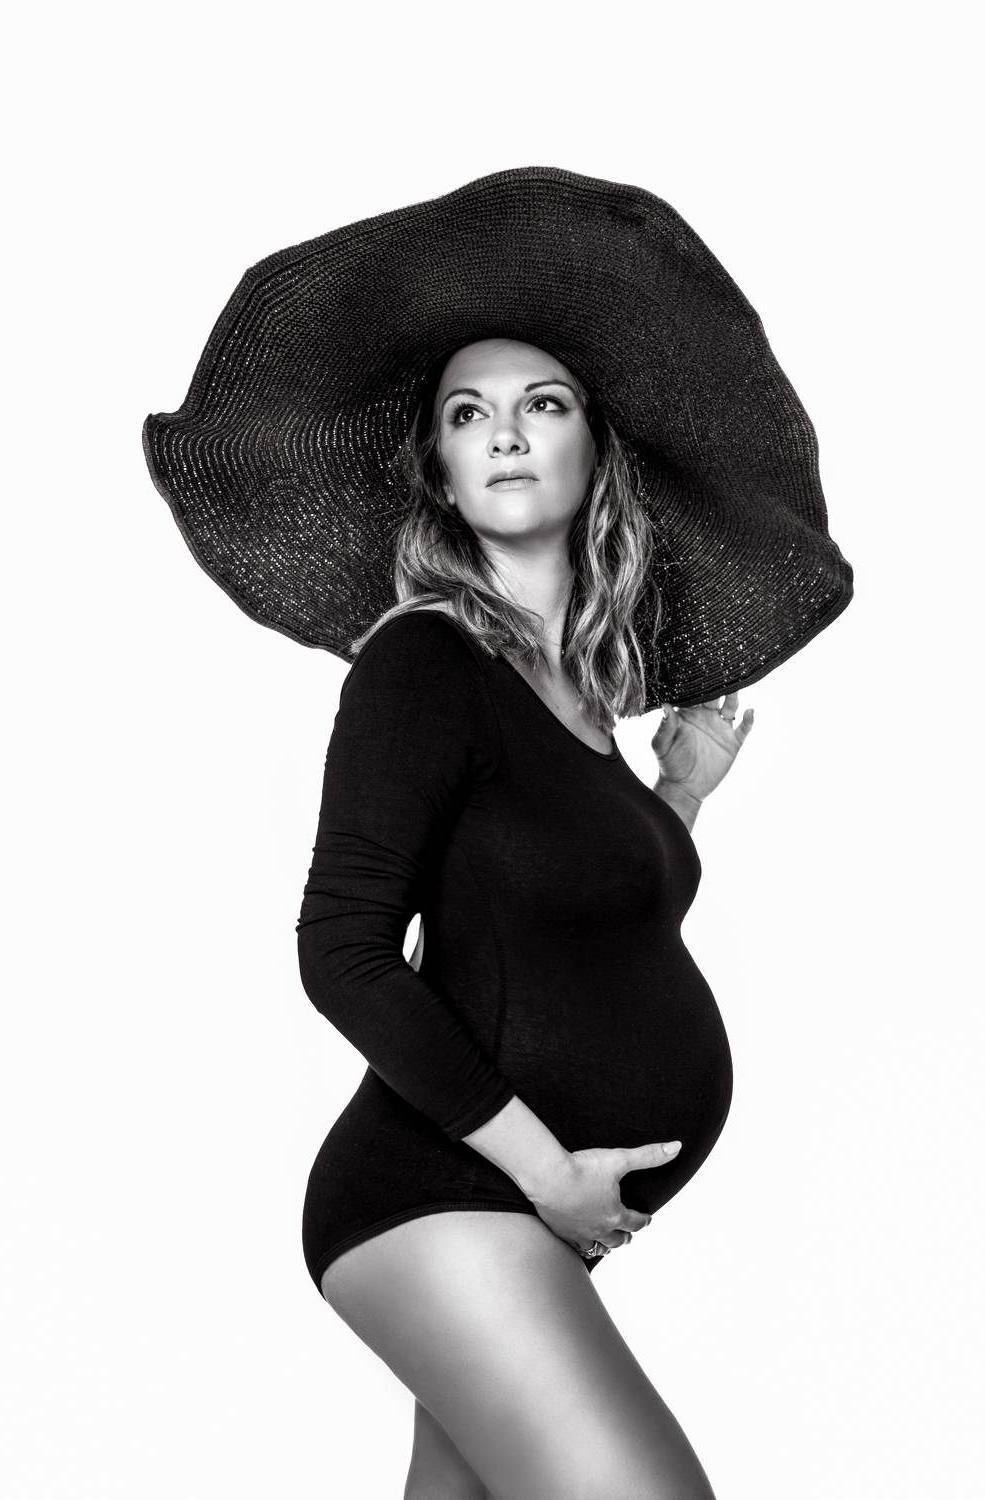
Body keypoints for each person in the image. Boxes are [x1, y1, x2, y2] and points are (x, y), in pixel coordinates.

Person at [143, 167, 853, 1499]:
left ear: (596, 447)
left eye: (543, 404)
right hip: (444, 1196)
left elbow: (580, 934)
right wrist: (550, 1174)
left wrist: (678, 799)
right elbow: (342, 951)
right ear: (442, 470)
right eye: (469, 414)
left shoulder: (573, 699)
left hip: (517, 1212)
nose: (506, 433)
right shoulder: (423, 661)